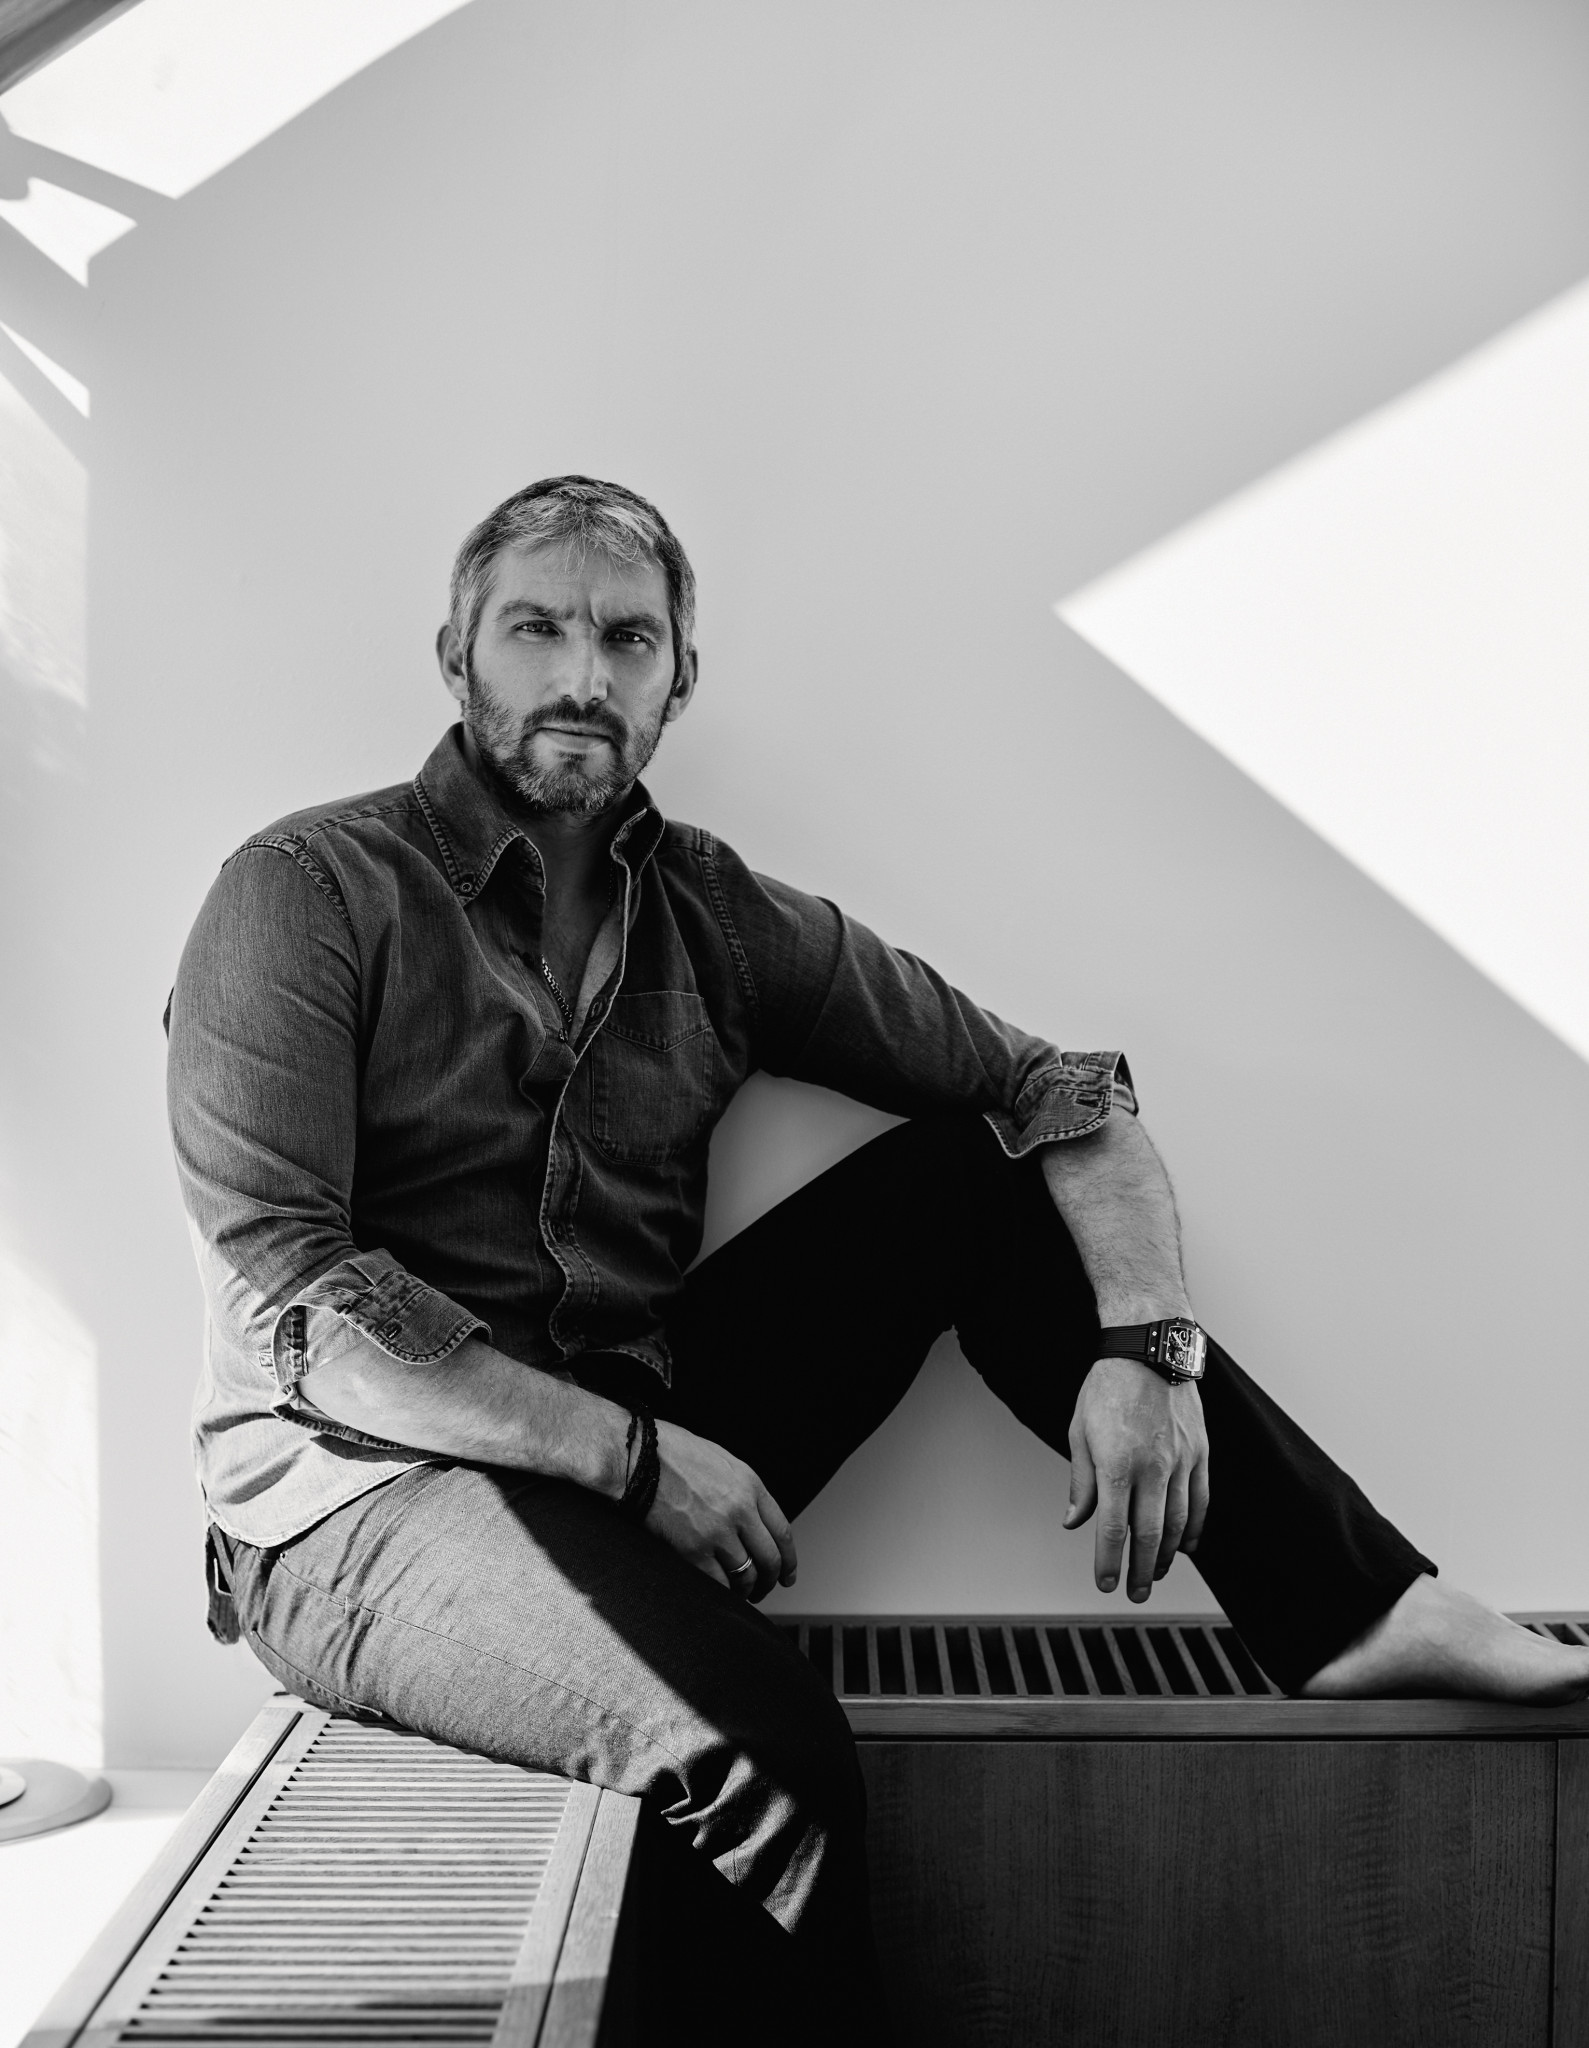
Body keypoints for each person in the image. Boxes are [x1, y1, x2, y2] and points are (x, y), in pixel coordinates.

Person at [166, 475, 1589, 2040]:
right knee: (764, 1747)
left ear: (677, 679)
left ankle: (1359, 1615)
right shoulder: (305, 892)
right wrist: (639, 1464)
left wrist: (1146, 1346)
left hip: (640, 1430)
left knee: (969, 1177)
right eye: (536, 629)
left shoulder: (713, 915)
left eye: (626, 638)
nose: (581, 674)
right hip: (358, 1501)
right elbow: (297, 1302)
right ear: (456, 656)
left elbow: (1060, 1093)